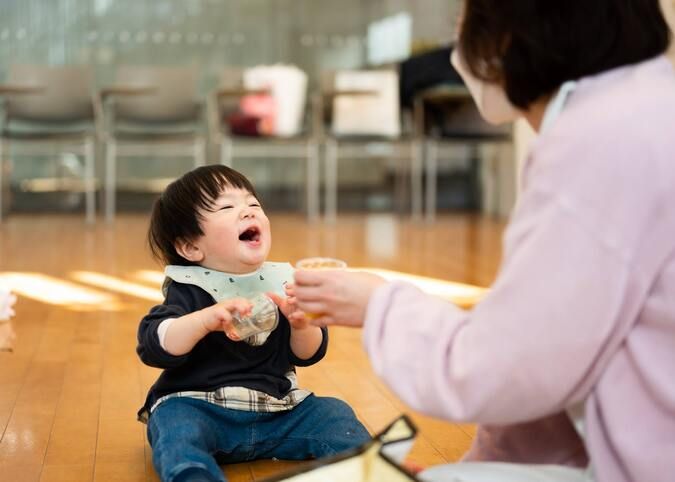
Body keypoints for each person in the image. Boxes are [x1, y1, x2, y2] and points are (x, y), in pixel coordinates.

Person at [290, 1, 675, 481]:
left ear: (509, 35)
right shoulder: (644, 107)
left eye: (465, 21)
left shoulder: (600, 143)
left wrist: (378, 305)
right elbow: (553, 352)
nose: (459, 41)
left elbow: (500, 368)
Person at [137, 165, 369, 482]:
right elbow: (155, 344)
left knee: (334, 412)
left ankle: (366, 469)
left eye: (253, 204)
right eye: (227, 207)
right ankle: (194, 475)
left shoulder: (280, 283)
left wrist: (302, 324)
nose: (247, 212)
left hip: (279, 410)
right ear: (191, 247)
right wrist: (204, 320)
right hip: (202, 409)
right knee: (173, 425)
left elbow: (308, 354)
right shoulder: (190, 289)